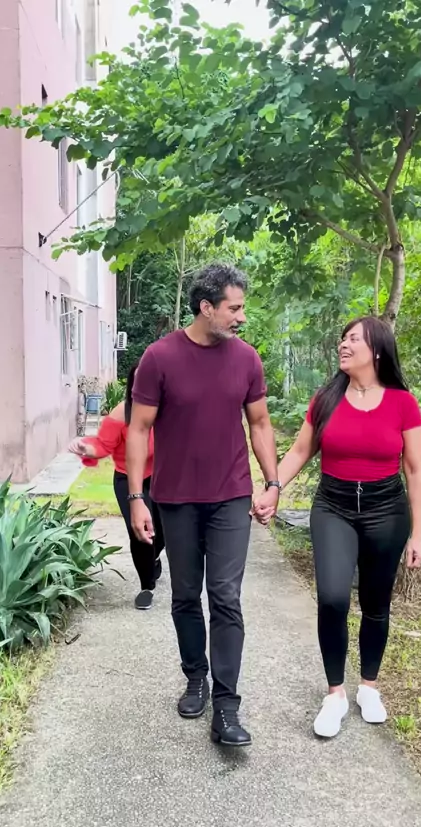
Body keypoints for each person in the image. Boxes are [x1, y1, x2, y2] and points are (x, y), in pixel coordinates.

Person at [126, 263, 279, 748]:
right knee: (186, 595)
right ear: (206, 307)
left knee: (226, 596)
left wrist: (272, 483)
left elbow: (259, 424)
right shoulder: (159, 357)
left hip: (231, 495)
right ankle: (196, 678)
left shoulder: (247, 359)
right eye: (234, 308)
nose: (241, 317)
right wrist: (136, 497)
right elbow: (138, 429)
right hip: (175, 498)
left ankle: (227, 704)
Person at [254, 316, 421, 738]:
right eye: (342, 339)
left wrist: (418, 534)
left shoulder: (402, 403)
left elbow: (414, 470)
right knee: (332, 598)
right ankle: (335, 694)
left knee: (376, 602)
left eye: (353, 339)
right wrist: (273, 488)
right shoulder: (327, 398)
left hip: (387, 510)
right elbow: (300, 450)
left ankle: (369, 687)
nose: (343, 345)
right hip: (334, 506)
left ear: (377, 350)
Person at [69, 365, 165, 611]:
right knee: (141, 532)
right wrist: (86, 448)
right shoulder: (122, 413)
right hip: (127, 478)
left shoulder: (168, 411)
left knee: (164, 530)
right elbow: (103, 445)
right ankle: (146, 586)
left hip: (160, 477)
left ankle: (154, 556)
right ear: (133, 387)